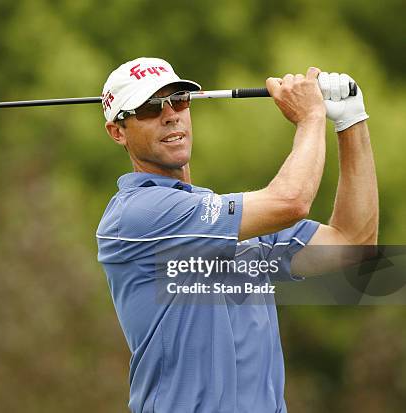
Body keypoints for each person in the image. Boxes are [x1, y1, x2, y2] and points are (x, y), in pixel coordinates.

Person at [96, 57, 378, 413]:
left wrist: (351, 121)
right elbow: (290, 201)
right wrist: (310, 118)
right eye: (150, 108)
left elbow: (352, 243)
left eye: (179, 100)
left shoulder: (227, 219)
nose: (170, 115)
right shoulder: (137, 215)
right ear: (117, 131)